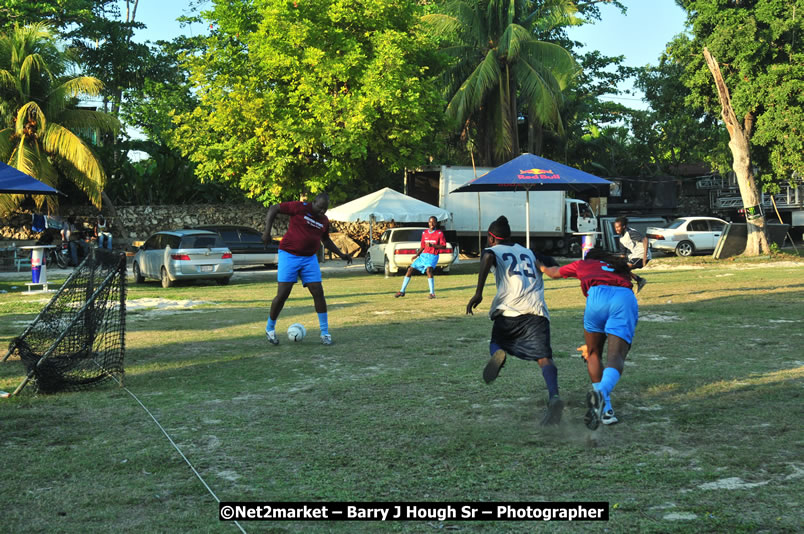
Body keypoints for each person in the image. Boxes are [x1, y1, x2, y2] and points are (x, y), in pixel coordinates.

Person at [466, 216, 564, 426]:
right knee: (544, 358)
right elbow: (554, 265)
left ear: (491, 238)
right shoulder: (529, 252)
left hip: (509, 312)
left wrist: (478, 293)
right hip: (536, 311)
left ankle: (498, 354)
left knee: (496, 342)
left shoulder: (493, 250)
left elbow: (487, 257)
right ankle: (554, 397)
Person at [539, 247, 638, 430]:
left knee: (592, 353)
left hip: (596, 298)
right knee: (615, 357)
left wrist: (541, 266)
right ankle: (601, 396)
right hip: (623, 298)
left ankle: (606, 409)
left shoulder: (583, 264)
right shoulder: (618, 266)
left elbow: (553, 273)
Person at [261, 192, 352, 346]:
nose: (322, 211)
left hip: (309, 258)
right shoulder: (299, 207)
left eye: (325, 209)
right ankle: (270, 328)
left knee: (318, 292)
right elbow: (274, 208)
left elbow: (326, 240)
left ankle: (325, 333)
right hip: (289, 254)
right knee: (283, 294)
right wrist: (266, 232)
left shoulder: (324, 220)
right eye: (320, 207)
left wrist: (341, 254)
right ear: (313, 202)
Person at [394, 216, 445, 299]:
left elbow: (443, 246)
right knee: (410, 269)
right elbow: (423, 246)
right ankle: (402, 291)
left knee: (429, 270)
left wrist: (433, 245)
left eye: (433, 222)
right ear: (428, 223)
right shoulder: (425, 233)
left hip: (433, 255)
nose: (432, 223)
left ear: (436, 223)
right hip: (424, 255)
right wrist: (417, 254)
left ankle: (432, 293)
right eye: (430, 222)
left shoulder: (439, 233)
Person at [613, 217, 650, 293]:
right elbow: (623, 255)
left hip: (641, 255)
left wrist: (644, 257)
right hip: (635, 255)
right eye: (615, 227)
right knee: (621, 269)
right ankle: (639, 280)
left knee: (623, 269)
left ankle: (632, 285)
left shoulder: (630, 233)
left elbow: (645, 240)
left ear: (623, 226)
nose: (616, 229)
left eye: (618, 227)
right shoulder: (621, 239)